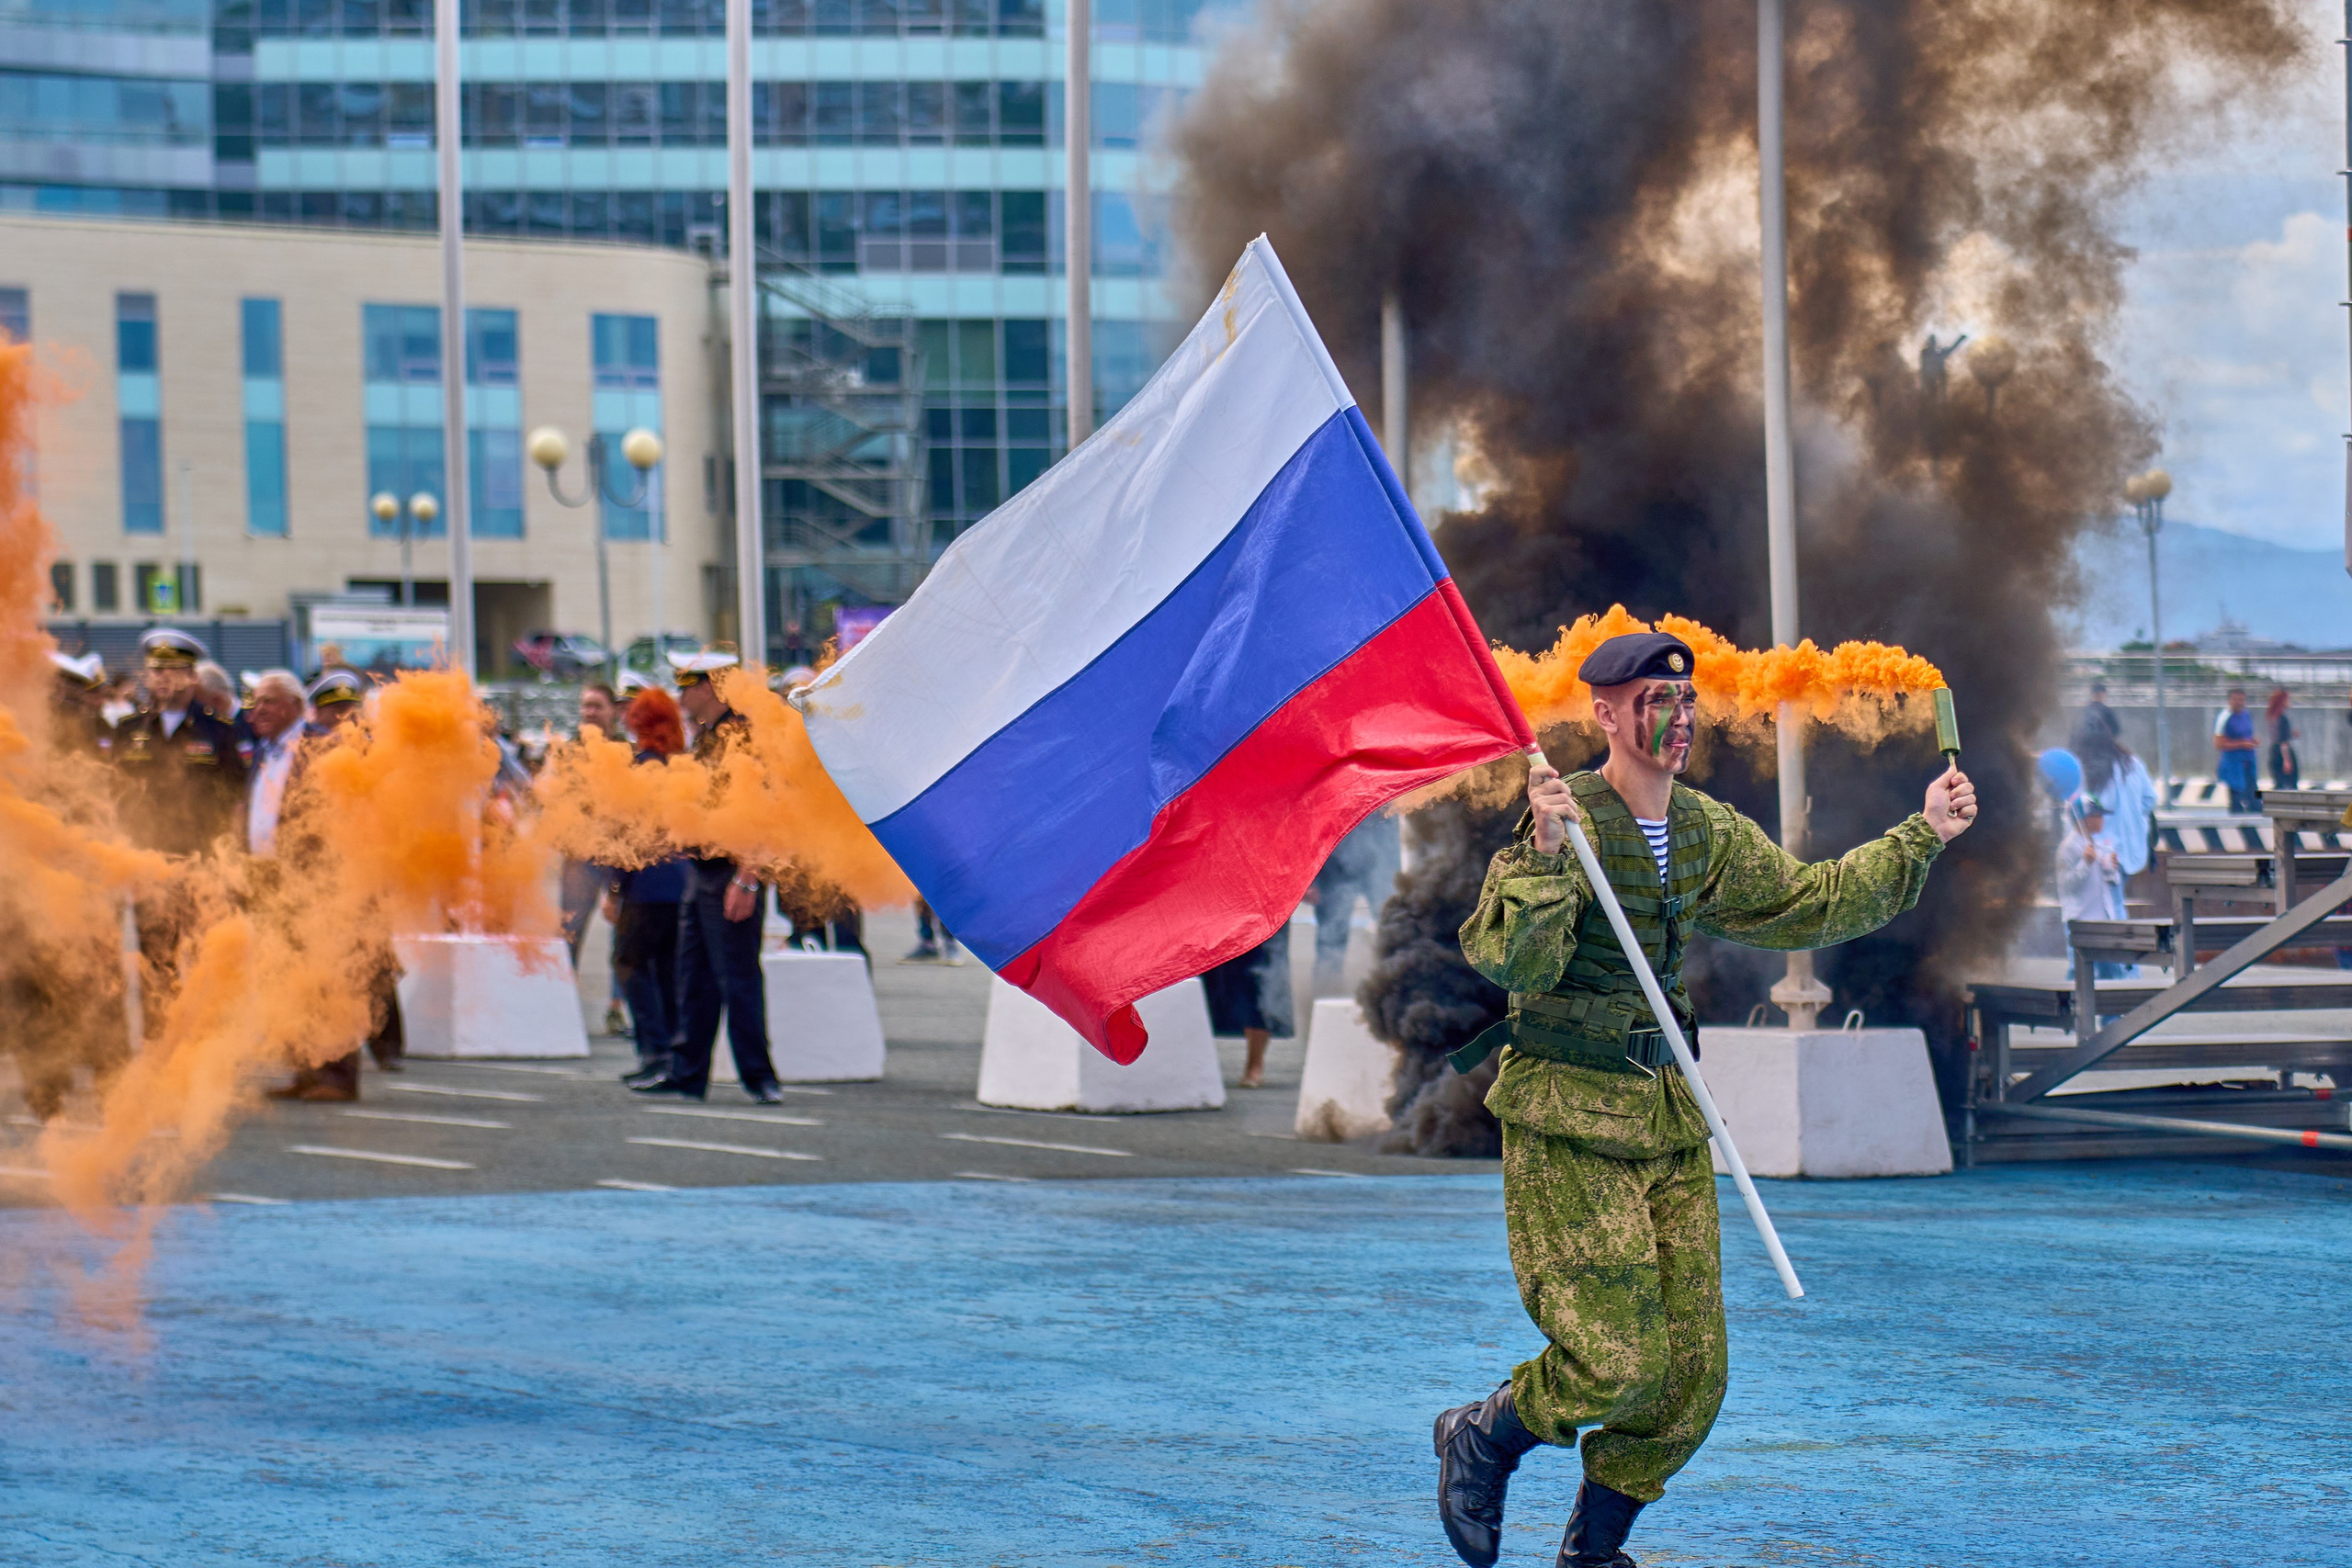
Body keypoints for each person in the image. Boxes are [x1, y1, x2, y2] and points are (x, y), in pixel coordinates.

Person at [1432, 630, 1975, 1568]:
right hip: (1570, 1116)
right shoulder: (1562, 818)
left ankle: (1592, 1553)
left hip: (1667, 1112)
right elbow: (1511, 961)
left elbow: (1808, 902)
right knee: (1616, 1358)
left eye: (1686, 701)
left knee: (1690, 1376)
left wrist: (1922, 833)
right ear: (1605, 713)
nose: (1680, 717)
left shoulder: (1702, 829)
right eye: (1656, 699)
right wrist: (1548, 852)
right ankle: (1484, 1434)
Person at [633, 649, 786, 1104]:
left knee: (737, 979)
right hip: (702, 873)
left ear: (709, 687)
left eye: (687, 686)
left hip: (732, 875)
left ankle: (759, 1076)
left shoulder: (742, 738)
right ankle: (687, 1072)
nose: (680, 697)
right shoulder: (706, 738)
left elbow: (765, 814)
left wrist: (748, 878)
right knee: (694, 978)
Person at [267, 670, 401, 1100]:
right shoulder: (295, 753)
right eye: (334, 712)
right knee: (300, 980)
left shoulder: (371, 757)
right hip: (296, 882)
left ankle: (338, 1075)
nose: (344, 720)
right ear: (317, 714)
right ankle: (306, 1069)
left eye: (349, 711)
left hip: (345, 883)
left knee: (339, 981)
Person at [607, 685, 692, 1086]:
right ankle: (673, 1053)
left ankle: (654, 1050)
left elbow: (629, 836)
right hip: (681, 883)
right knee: (668, 971)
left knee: (631, 966)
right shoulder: (680, 766)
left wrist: (615, 888)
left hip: (645, 885)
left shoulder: (641, 769)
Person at [110, 628, 249, 856]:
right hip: (141, 850)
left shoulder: (219, 729)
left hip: (200, 851)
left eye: (175, 669)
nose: (164, 677)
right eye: (157, 670)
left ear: (193, 676)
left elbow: (235, 794)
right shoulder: (128, 729)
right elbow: (114, 790)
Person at [563, 682, 629, 1035]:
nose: (590, 712)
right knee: (570, 931)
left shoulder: (626, 750)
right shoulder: (569, 751)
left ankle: (617, 1008)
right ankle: (563, 1004)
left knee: (623, 932)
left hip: (618, 855)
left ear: (613, 711)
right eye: (586, 705)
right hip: (579, 856)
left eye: (597, 706)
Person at [1307, 811, 1401, 993]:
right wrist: (1312, 878)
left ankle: (1397, 995)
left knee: (1393, 932)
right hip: (1335, 864)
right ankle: (1325, 998)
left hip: (1379, 859)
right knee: (1331, 941)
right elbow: (1313, 813)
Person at [1201, 925, 1294, 1089]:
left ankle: (1254, 1065)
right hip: (1216, 915)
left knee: (1260, 978)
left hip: (1265, 915)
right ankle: (1197, 1064)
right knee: (1207, 977)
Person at [2056, 794, 2134, 981]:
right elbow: (2066, 885)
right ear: (2087, 819)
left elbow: (2109, 883)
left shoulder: (2098, 846)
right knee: (2080, 973)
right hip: (2080, 921)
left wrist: (2111, 868)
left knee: (2111, 972)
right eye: (2098, 816)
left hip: (2102, 921)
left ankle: (2111, 1003)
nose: (2102, 820)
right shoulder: (2068, 848)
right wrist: (2085, 863)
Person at [242, 670, 307, 855]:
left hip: (304, 867)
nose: (259, 710)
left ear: (296, 704)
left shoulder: (319, 745)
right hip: (259, 868)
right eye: (257, 702)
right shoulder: (261, 750)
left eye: (269, 701)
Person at [2214, 687, 2259, 814]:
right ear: (2229, 701)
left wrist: (2253, 741)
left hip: (2248, 762)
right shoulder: (2224, 717)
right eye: (2235, 699)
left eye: (2241, 699)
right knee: (2237, 799)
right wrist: (2241, 744)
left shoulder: (2246, 715)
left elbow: (2247, 735)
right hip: (2233, 764)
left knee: (2254, 798)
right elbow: (2219, 744)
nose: (2239, 702)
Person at [2267, 687, 2299, 792]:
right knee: (2290, 784)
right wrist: (2287, 760)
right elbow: (2283, 742)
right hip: (2283, 752)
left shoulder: (2272, 717)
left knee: (2279, 783)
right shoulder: (2282, 719)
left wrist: (2290, 733)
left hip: (2274, 751)